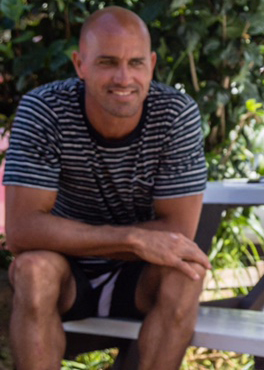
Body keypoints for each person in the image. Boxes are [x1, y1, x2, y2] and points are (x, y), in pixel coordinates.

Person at [3, 6, 211, 370]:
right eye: (107, 62)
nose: (123, 77)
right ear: (79, 64)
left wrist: (131, 244)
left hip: (141, 276)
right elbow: (21, 231)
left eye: (135, 63)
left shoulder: (175, 114)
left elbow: (177, 233)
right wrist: (133, 239)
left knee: (186, 272)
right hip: (65, 269)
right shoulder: (45, 110)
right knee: (33, 269)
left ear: (152, 64)